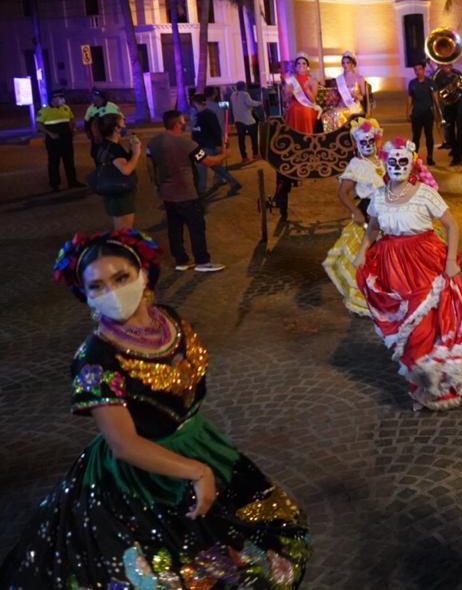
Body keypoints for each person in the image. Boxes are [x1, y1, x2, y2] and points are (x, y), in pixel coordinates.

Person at [0, 229, 311, 586]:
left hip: (199, 441)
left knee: (244, 538)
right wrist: (196, 471)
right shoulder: (96, 359)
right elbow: (124, 444)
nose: (112, 292)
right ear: (84, 296)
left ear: (143, 274)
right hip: (142, 473)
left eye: (121, 278)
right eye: (97, 286)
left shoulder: (170, 320)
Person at [354, 138, 462, 410]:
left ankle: (437, 382)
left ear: (411, 164)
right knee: (407, 326)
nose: (397, 166)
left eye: (403, 161)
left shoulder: (425, 193)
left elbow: (452, 225)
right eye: (392, 162)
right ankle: (424, 379)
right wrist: (363, 249)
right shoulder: (378, 195)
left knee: (427, 322)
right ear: (385, 164)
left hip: (425, 261)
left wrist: (450, 261)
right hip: (393, 266)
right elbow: (373, 227)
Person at [146, 110, 227, 273]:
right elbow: (208, 161)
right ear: (177, 124)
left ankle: (181, 260)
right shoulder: (186, 144)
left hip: (168, 193)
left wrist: (156, 184)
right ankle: (202, 261)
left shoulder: (153, 143)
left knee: (174, 228)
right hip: (186, 192)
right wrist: (224, 155)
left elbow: (149, 165)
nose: (185, 124)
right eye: (183, 121)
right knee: (196, 227)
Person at [323, 118, 386, 319]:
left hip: (389, 212)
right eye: (363, 143)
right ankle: (368, 297)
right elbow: (343, 192)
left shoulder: (384, 159)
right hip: (368, 213)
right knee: (369, 258)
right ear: (356, 144)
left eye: (370, 141)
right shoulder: (356, 164)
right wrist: (356, 211)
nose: (367, 146)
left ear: (376, 140)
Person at [93, 112, 142, 229]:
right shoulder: (113, 148)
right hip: (119, 196)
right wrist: (136, 154)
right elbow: (126, 170)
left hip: (114, 193)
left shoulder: (106, 145)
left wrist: (131, 150)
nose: (125, 127)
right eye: (123, 124)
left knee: (122, 229)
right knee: (124, 232)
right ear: (116, 129)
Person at [192, 93, 241, 196]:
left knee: (201, 168)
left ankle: (201, 191)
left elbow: (216, 130)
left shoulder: (206, 114)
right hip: (205, 146)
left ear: (196, 103)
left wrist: (218, 145)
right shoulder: (203, 114)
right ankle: (233, 182)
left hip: (204, 147)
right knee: (215, 166)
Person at [37, 89, 81, 190]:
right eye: (60, 98)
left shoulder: (66, 108)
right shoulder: (44, 111)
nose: (62, 100)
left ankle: (72, 181)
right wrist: (50, 133)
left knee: (69, 161)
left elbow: (71, 119)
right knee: (54, 162)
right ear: (53, 99)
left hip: (66, 139)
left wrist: (73, 128)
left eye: (62, 98)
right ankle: (55, 184)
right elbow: (39, 125)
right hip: (53, 140)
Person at [406, 60, 438, 166]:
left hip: (428, 113)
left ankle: (430, 157)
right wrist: (408, 112)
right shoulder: (412, 83)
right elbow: (410, 98)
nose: (417, 71)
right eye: (415, 70)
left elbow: (435, 98)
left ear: (424, 70)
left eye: (420, 69)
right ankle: (415, 158)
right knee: (416, 137)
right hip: (416, 114)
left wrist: (437, 113)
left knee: (429, 136)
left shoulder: (430, 83)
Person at [84, 88, 122, 166]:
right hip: (97, 137)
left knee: (113, 154)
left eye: (96, 97)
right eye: (93, 97)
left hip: (111, 137)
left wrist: (119, 131)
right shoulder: (91, 108)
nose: (94, 99)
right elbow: (86, 121)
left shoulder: (112, 107)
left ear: (102, 98)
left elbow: (121, 119)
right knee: (96, 154)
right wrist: (88, 132)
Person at [284, 54, 319, 134]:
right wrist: (289, 92)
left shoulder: (313, 80)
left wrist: (307, 89)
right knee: (293, 110)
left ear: (307, 66)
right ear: (295, 67)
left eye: (304, 63)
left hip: (308, 106)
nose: (301, 65)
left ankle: (307, 138)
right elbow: (285, 100)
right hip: (294, 106)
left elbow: (313, 100)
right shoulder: (290, 80)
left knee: (306, 111)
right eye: (298, 63)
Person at [433, 60, 462, 155]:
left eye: (448, 64)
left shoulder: (457, 73)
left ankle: (458, 148)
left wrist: (456, 86)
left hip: (458, 103)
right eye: (444, 65)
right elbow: (435, 90)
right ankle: (452, 146)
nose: (446, 66)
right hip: (446, 105)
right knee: (449, 127)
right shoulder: (438, 76)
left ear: (452, 64)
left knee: (459, 127)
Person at [229, 80, 262, 162]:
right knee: (253, 137)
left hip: (238, 120)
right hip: (248, 120)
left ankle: (244, 157)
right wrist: (259, 103)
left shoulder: (233, 95)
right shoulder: (245, 94)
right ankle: (255, 154)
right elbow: (250, 103)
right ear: (244, 87)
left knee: (241, 139)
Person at [335, 51, 371, 120]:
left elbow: (364, 98)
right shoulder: (339, 79)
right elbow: (338, 96)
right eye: (343, 63)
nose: (345, 65)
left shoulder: (359, 78)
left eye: (348, 62)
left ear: (352, 64)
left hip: (354, 107)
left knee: (338, 114)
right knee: (330, 114)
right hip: (342, 106)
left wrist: (356, 96)